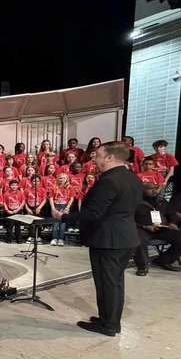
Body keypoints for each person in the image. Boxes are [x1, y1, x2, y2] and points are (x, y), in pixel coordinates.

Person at [58, 141, 142, 336]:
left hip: (108, 239)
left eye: (98, 154)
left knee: (107, 283)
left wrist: (63, 217)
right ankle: (109, 319)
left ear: (110, 157)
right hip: (126, 236)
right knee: (115, 282)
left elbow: (92, 213)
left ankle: (109, 325)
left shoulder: (109, 181)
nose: (94, 158)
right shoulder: (133, 178)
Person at [133, 182, 181, 275]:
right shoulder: (134, 202)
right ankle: (143, 266)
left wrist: (172, 223)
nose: (154, 190)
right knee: (138, 239)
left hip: (162, 228)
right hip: (143, 229)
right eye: (150, 188)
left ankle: (163, 261)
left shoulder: (161, 201)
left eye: (156, 188)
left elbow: (172, 214)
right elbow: (127, 219)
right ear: (141, 189)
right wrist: (144, 226)